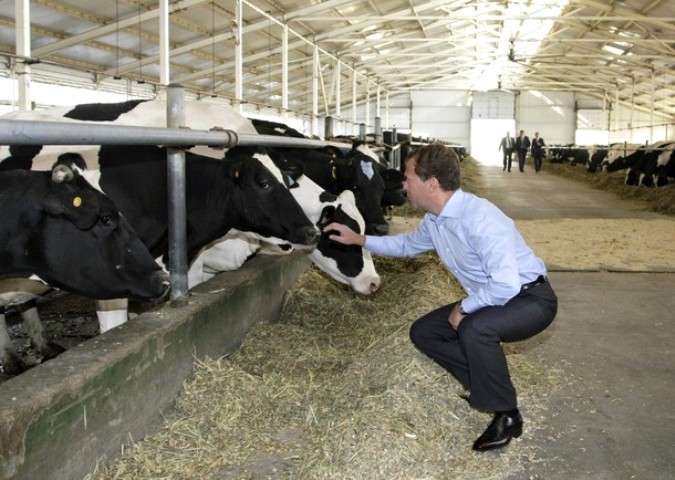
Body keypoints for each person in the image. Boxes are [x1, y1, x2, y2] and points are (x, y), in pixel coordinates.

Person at [323, 144, 558, 452]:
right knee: (424, 332)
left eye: (408, 178)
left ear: (431, 183)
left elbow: (506, 284)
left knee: (474, 328)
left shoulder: (480, 219)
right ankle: (486, 384)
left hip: (531, 299)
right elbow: (407, 245)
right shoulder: (436, 219)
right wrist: (360, 239)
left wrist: (465, 307)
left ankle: (507, 415)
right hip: (498, 297)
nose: (403, 186)